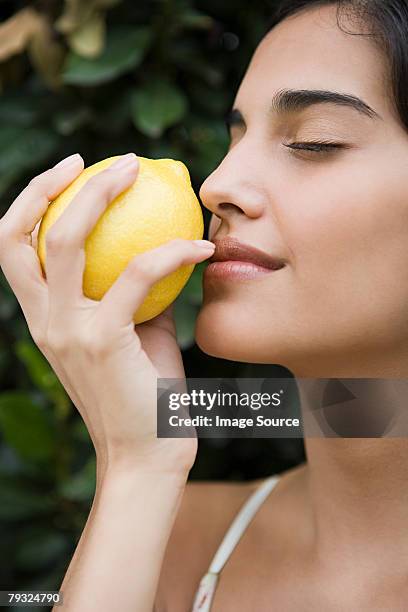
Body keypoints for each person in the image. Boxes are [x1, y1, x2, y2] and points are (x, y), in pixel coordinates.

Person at [1, 0, 408, 609]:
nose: (214, 184)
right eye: (235, 138)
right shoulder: (175, 543)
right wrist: (139, 462)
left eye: (313, 141)